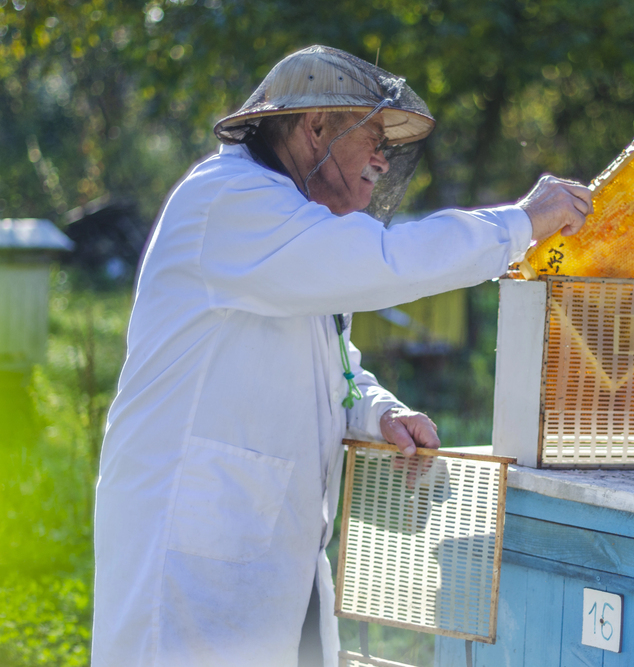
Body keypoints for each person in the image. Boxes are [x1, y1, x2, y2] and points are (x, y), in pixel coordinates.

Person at [92, 45, 592, 667]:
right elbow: (387, 263)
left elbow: (333, 356)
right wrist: (520, 222)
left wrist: (377, 412)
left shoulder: (294, 222)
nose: (384, 158)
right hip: (190, 558)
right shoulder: (229, 201)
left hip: (273, 547)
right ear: (315, 126)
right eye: (374, 137)